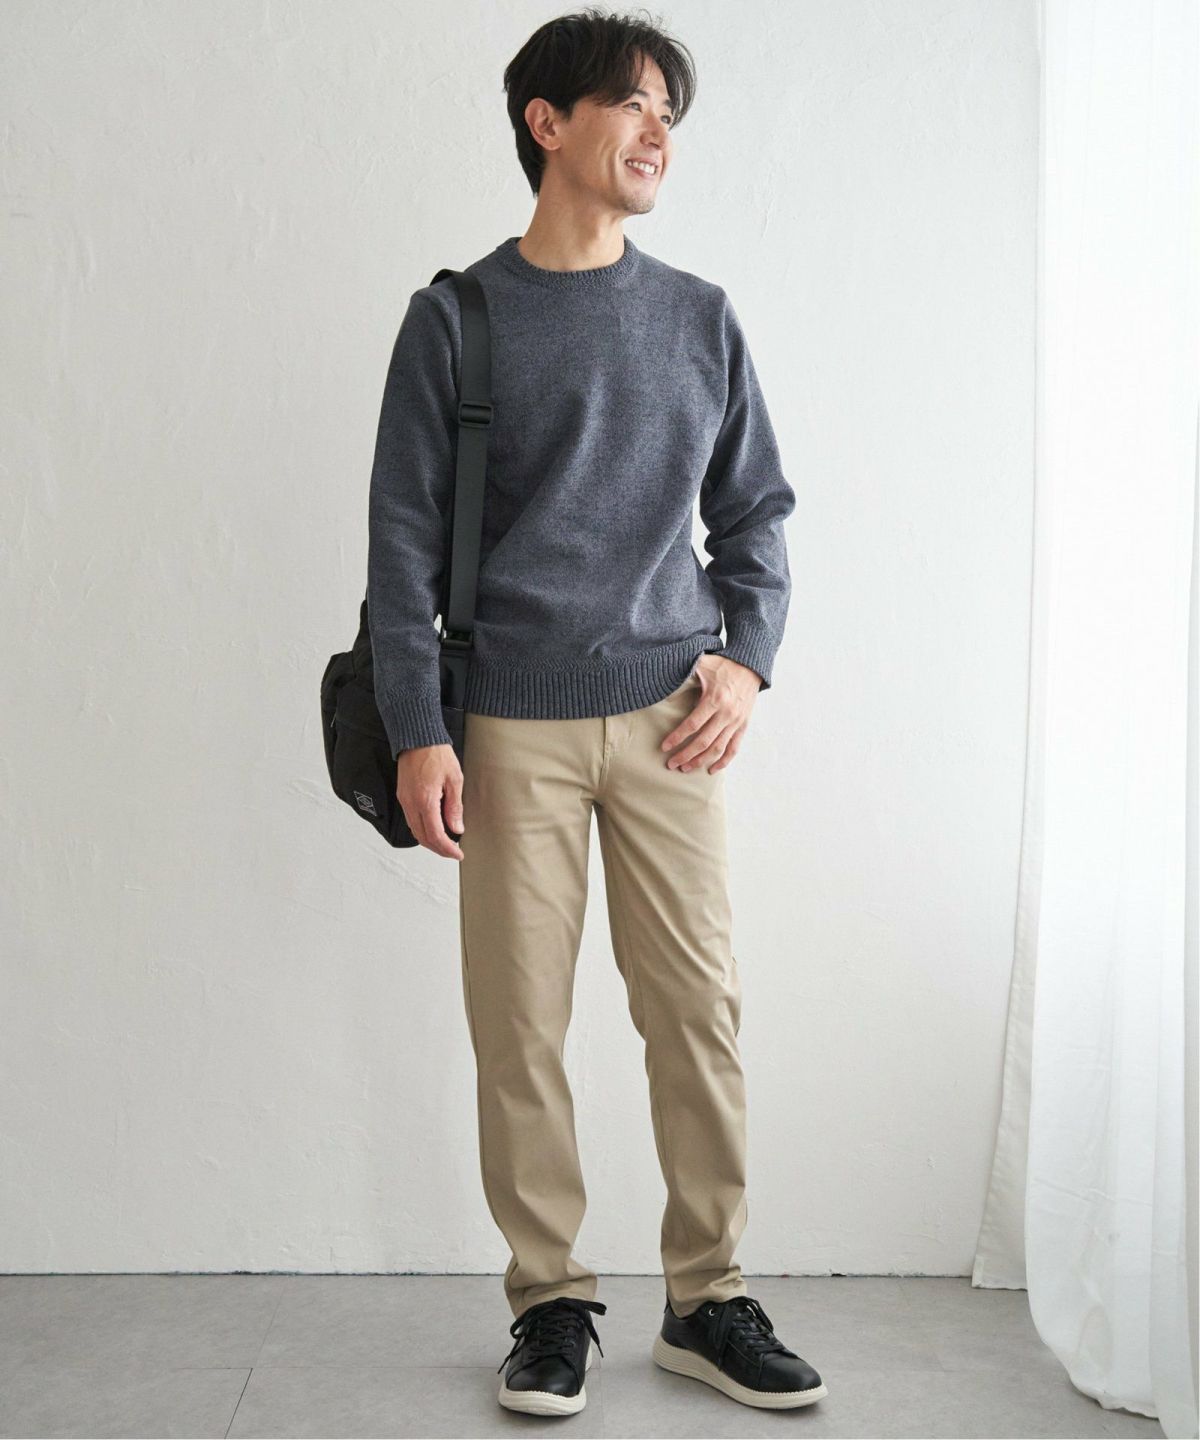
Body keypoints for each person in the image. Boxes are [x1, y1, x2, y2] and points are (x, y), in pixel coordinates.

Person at [365, 4, 827, 1418]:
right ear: (546, 122)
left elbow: (756, 513)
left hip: (674, 713)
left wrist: (747, 659)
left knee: (698, 1012)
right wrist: (417, 727)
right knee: (520, 1029)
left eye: (668, 115)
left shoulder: (699, 318)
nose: (656, 134)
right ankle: (549, 1301)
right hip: (508, 726)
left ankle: (708, 1297)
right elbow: (401, 539)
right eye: (632, 105)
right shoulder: (457, 320)